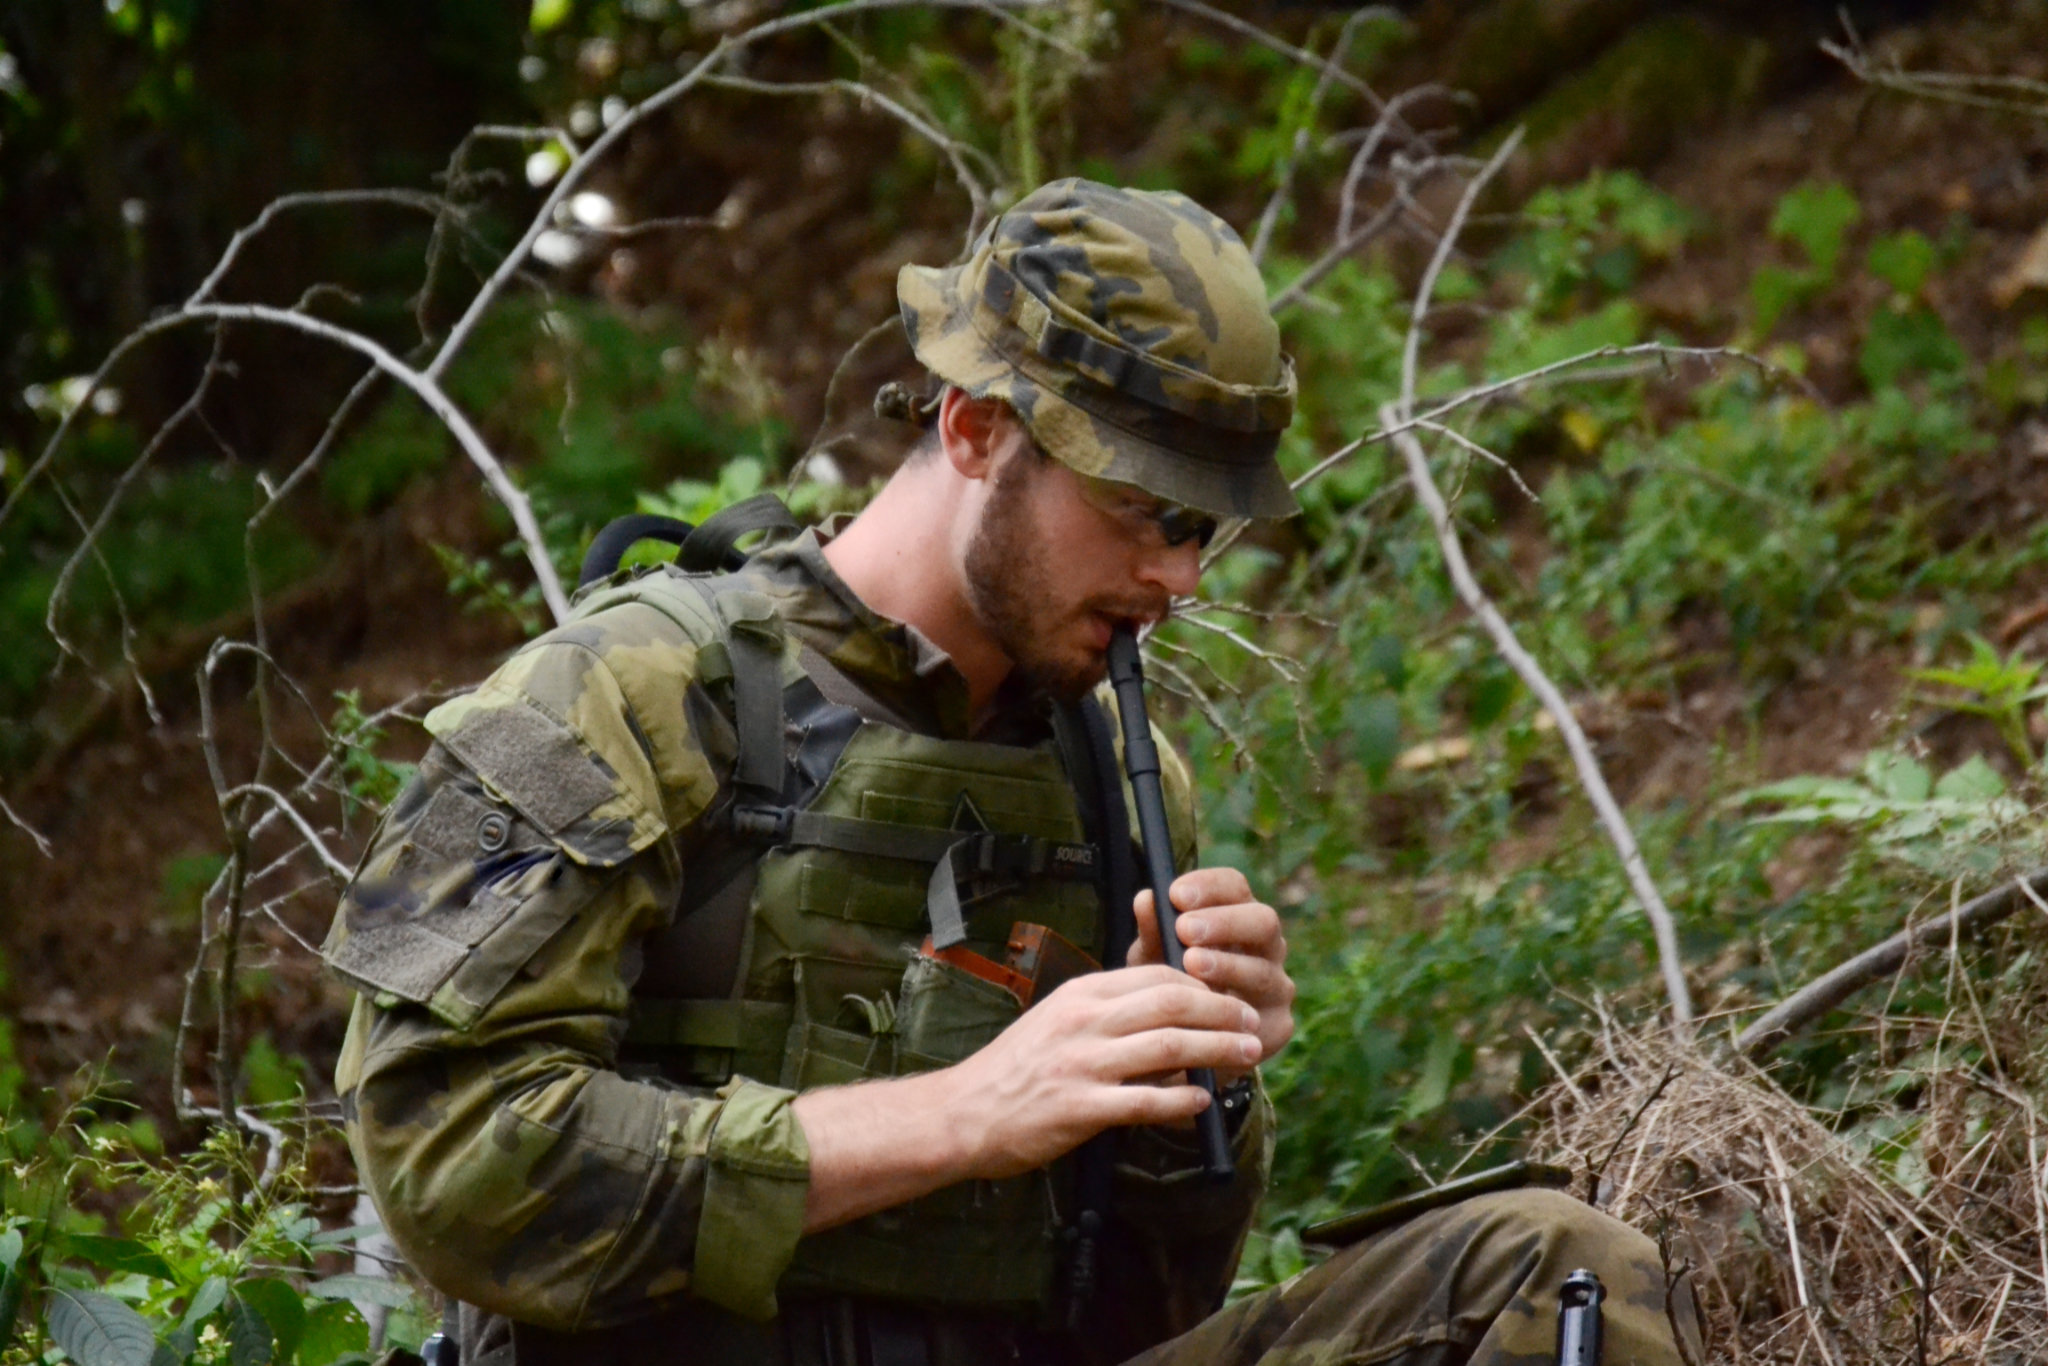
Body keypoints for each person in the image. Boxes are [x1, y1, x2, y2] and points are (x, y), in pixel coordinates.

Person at [323, 179, 1703, 1366]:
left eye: (1202, 527)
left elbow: (1143, 1306)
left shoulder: (1109, 774)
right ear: (976, 429)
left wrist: (1196, 1090)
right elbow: (451, 1159)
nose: (1178, 576)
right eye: (1139, 508)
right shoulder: (630, 696)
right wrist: (958, 1114)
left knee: (1551, 1270)